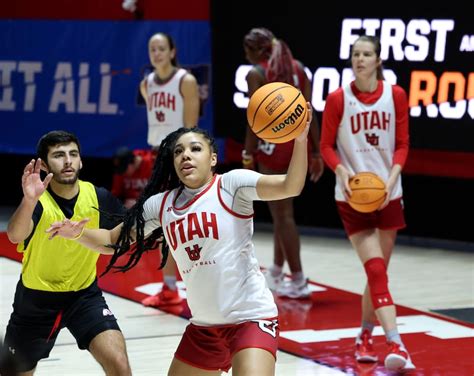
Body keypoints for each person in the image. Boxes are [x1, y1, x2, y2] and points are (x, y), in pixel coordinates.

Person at [45, 117, 311, 375]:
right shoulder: (161, 205)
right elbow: (114, 241)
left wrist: (300, 140)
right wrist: (77, 234)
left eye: (196, 149)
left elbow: (291, 185)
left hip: (251, 318)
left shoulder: (232, 185)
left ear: (213, 159)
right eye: (179, 152)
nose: (186, 155)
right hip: (204, 329)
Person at [320, 35, 414, 372]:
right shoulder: (338, 98)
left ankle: (363, 334)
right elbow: (326, 146)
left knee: (379, 275)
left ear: (378, 60)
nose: (360, 59)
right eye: (356, 54)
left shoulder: (396, 95)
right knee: (375, 269)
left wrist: (392, 178)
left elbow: (402, 143)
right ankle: (397, 344)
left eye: (367, 54)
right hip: (351, 196)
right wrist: (341, 171)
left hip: (389, 192)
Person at [2, 131, 131, 375]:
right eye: (59, 155)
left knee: (119, 364)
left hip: (84, 296)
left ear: (81, 161)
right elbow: (15, 235)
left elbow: (119, 242)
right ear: (45, 164)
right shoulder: (38, 201)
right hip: (36, 302)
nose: (68, 160)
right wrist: (29, 200)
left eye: (73, 154)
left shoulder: (99, 196)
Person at [242, 27, 324, 299]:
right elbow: (310, 111)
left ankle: (299, 280)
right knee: (282, 214)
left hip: (273, 147)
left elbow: (254, 121)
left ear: (255, 51)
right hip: (297, 144)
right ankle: (277, 271)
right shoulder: (299, 67)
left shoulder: (256, 73)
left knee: (282, 216)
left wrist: (248, 154)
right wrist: (315, 152)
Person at [139, 32, 201, 308]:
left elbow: (191, 130)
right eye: (153, 49)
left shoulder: (185, 81)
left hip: (179, 159)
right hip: (158, 156)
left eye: (162, 48)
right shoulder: (147, 83)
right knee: (166, 226)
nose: (157, 53)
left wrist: (182, 163)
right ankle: (169, 288)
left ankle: (192, 286)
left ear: (173, 51)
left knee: (186, 226)